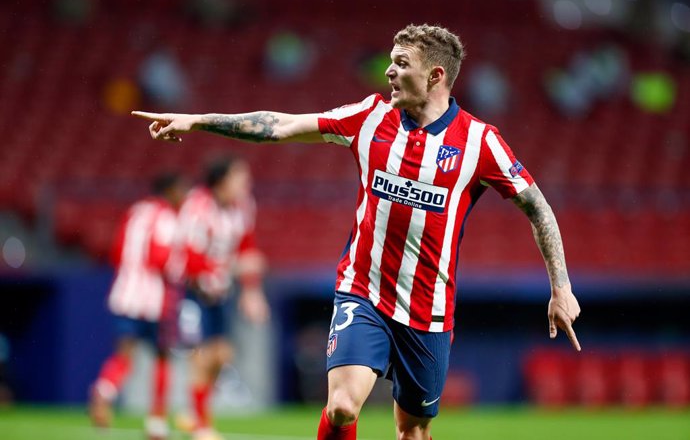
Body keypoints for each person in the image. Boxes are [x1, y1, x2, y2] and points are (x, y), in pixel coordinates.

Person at [133, 23, 582, 440]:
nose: (388, 70)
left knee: (413, 431)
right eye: (390, 59)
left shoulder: (480, 142)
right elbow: (282, 124)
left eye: (402, 63)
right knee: (344, 406)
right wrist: (198, 120)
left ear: (435, 76)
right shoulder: (370, 116)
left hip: (429, 309)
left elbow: (538, 207)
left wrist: (560, 287)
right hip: (362, 292)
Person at [176, 157, 270, 440]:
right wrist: (225, 269)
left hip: (220, 289)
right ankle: (202, 426)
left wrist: (252, 292)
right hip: (191, 288)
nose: (246, 184)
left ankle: (195, 415)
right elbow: (189, 256)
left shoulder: (243, 206)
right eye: (240, 178)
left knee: (221, 355)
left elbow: (247, 247)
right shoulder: (198, 206)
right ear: (221, 180)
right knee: (203, 356)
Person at [89, 172, 187, 440]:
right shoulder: (166, 216)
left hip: (125, 293)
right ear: (170, 190)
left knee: (124, 354)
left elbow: (117, 251)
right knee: (162, 356)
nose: (183, 197)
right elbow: (161, 257)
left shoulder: (135, 212)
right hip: (155, 298)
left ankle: (104, 389)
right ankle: (156, 422)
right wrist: (180, 270)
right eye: (181, 191)